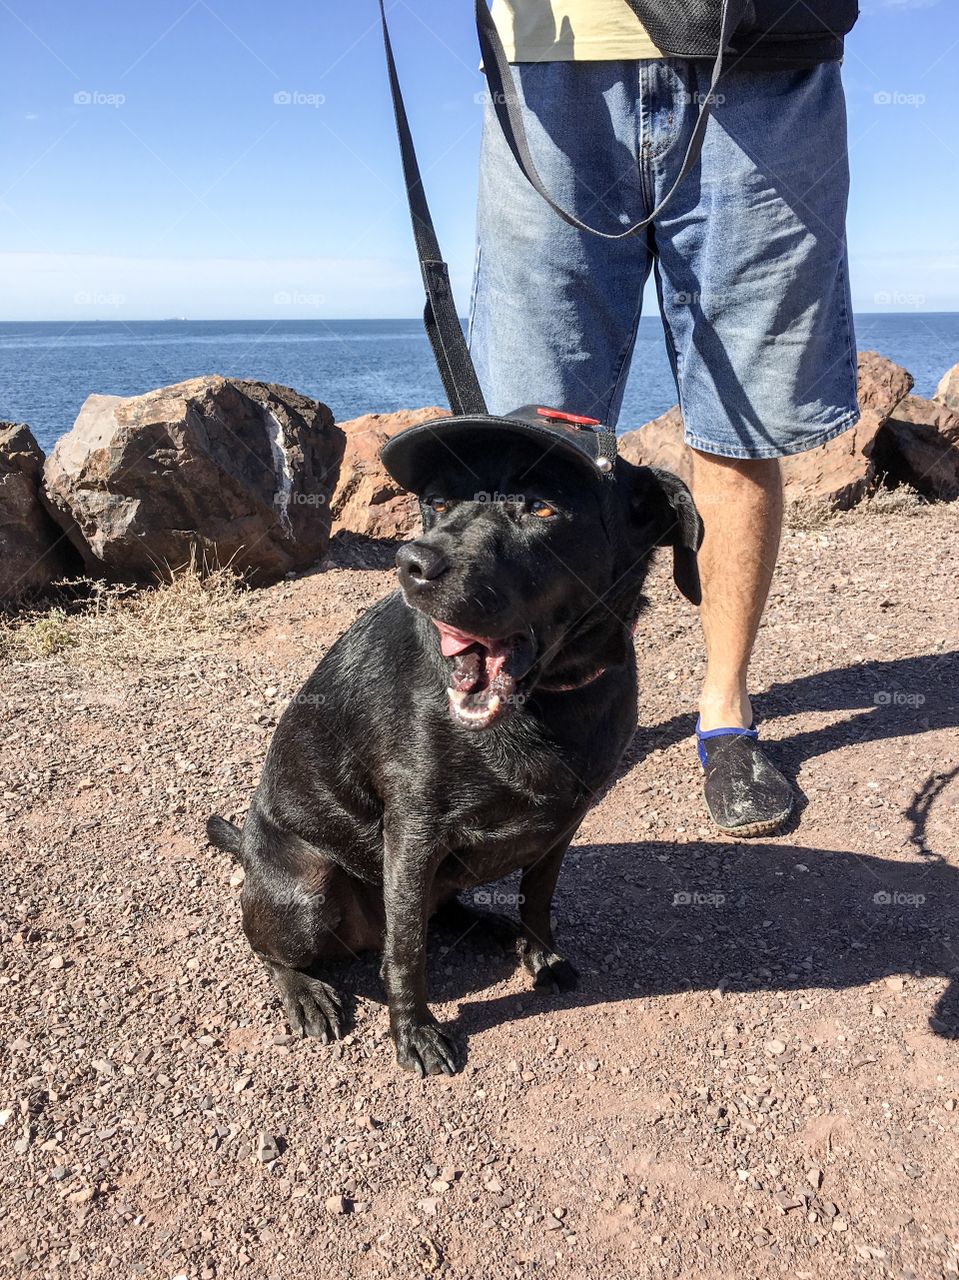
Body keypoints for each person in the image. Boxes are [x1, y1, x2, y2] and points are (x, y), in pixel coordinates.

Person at [468, 0, 860, 837]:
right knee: (535, 441)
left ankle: (725, 713)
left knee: (738, 426)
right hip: (549, 61)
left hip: (762, 55)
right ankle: (527, 697)